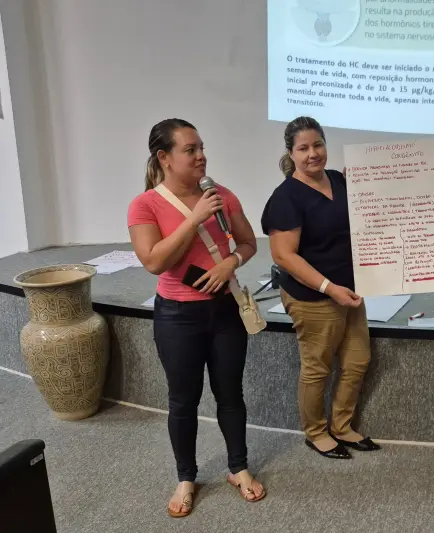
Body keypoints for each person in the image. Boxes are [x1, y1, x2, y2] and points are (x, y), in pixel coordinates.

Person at [128, 118, 265, 518]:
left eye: (201, 147)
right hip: (177, 317)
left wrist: (231, 264)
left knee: (230, 394)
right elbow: (154, 261)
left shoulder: (221, 194)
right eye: (190, 149)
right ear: (164, 158)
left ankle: (238, 468)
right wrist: (194, 217)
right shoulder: (146, 204)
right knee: (183, 401)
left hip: (224, 311)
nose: (201, 155)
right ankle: (186, 477)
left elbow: (248, 242)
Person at [262, 116, 380, 459]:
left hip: (350, 291)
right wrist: (329, 288)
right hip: (314, 296)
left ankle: (342, 426)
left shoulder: (339, 180)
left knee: (358, 360)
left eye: (318, 145)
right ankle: (316, 432)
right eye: (303, 148)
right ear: (291, 153)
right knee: (317, 367)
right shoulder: (286, 197)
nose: (313, 153)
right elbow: (284, 255)